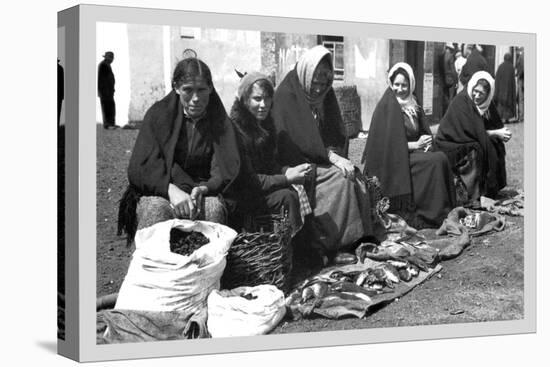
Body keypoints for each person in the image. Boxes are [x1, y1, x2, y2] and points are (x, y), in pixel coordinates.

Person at [117, 57, 241, 244]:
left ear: (211, 88)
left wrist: (204, 188)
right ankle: (151, 270)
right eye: (187, 90)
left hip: (202, 192)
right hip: (163, 189)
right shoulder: (158, 116)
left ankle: (208, 271)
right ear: (176, 87)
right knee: (156, 210)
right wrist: (171, 191)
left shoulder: (221, 123)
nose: (195, 99)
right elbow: (142, 166)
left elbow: (225, 169)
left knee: (214, 210)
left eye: (202, 90)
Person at [271, 45, 376, 260]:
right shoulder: (286, 95)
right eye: (315, 83)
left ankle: (361, 236)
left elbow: (334, 133)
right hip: (294, 163)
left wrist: (334, 154)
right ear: (305, 75)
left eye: (324, 83)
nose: (319, 89)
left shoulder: (322, 97)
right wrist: (331, 157)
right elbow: (294, 143)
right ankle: (334, 244)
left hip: (319, 158)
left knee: (354, 175)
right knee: (341, 181)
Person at [362, 62, 456, 228]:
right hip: (392, 160)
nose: (400, 89)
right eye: (396, 84)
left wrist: (426, 143)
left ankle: (443, 208)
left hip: (410, 153)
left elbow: (423, 131)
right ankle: (430, 212)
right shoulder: (388, 105)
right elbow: (387, 146)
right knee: (435, 162)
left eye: (404, 85)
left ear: (411, 84)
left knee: (440, 157)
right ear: (391, 84)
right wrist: (416, 145)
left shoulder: (413, 103)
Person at [227, 71, 308, 236]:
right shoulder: (236, 131)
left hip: (260, 188)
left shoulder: (265, 125)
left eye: (268, 99)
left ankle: (315, 246)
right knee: (287, 197)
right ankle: (292, 252)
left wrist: (286, 170)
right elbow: (248, 180)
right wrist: (286, 178)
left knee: (302, 185)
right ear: (244, 100)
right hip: (242, 197)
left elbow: (268, 165)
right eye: (257, 99)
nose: (263, 104)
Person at [435, 71, 511, 202]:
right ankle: (472, 194)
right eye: (475, 91)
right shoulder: (462, 101)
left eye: (481, 94)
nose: (476, 96)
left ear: (488, 94)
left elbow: (488, 126)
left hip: (466, 138)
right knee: (477, 149)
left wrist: (499, 133)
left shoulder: (487, 105)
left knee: (496, 145)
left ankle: (491, 189)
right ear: (472, 87)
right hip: (449, 143)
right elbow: (470, 131)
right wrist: (496, 133)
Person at [494, 53, 517, 123]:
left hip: (501, 90)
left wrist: (496, 90)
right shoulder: (511, 67)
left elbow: (497, 79)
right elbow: (513, 81)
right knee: (508, 106)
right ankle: (506, 118)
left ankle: (501, 118)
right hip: (509, 91)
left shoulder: (500, 67)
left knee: (501, 105)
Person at [98, 51, 117, 129]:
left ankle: (111, 123)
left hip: (109, 91)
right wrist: (103, 91)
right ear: (107, 58)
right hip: (105, 92)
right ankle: (108, 125)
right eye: (110, 57)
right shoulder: (103, 65)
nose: (112, 59)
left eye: (112, 58)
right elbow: (101, 80)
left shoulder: (107, 65)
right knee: (106, 108)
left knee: (111, 107)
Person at [442, 43, 458, 114]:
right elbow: (453, 70)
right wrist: (456, 80)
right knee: (451, 98)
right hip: (451, 80)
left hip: (443, 80)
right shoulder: (450, 56)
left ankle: (444, 113)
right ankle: (449, 114)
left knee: (445, 98)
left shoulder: (442, 56)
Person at [516, 49, 524, 122]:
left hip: (522, 79)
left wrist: (518, 76)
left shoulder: (522, 57)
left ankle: (521, 117)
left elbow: (521, 68)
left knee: (521, 99)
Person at [58, 59, 64, 126]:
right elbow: (62, 83)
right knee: (58, 111)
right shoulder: (60, 68)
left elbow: (62, 83)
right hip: (59, 94)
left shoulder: (60, 68)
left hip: (59, 94)